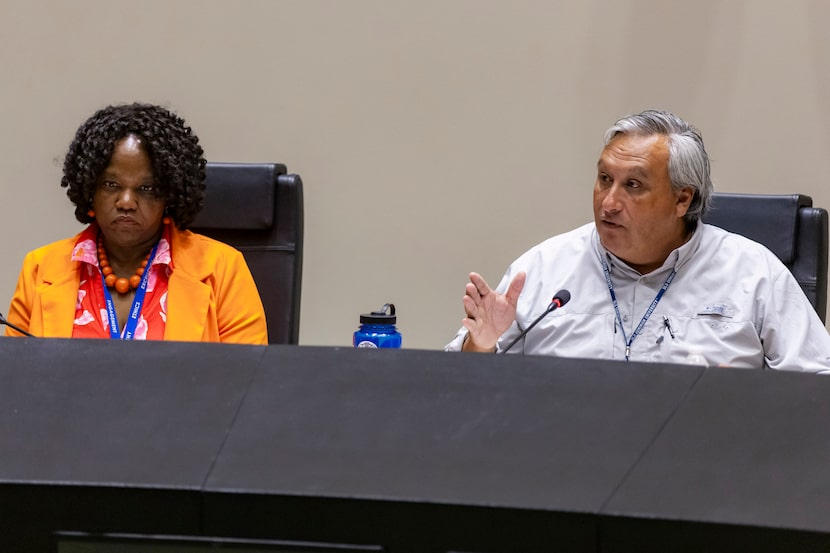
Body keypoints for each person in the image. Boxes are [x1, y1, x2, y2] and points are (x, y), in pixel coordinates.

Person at [446, 109, 830, 372]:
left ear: (683, 199)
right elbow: (458, 392)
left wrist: (746, 401)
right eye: (604, 180)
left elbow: (815, 391)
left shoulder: (753, 273)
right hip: (566, 466)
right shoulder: (543, 270)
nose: (609, 203)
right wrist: (482, 344)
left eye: (633, 185)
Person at [5, 103, 268, 344]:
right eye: (111, 185)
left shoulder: (222, 270)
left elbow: (248, 384)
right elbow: (15, 382)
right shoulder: (40, 270)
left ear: (168, 195)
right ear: (90, 189)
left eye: (146, 188)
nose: (127, 202)